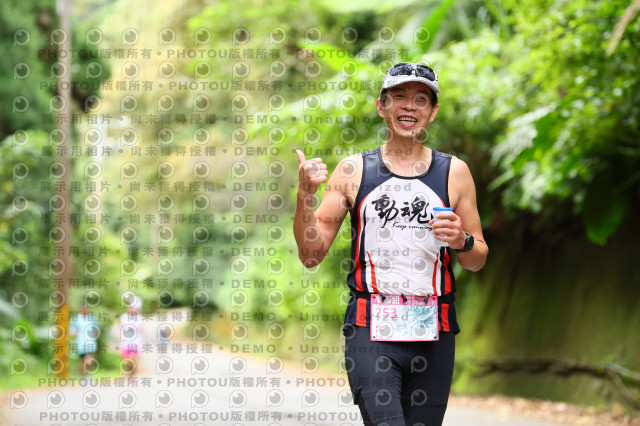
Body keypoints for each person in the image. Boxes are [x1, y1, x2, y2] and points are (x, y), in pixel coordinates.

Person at [294, 62, 489, 426]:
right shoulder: (353, 170)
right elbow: (310, 254)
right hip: (371, 329)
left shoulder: (455, 172)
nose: (409, 106)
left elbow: (476, 258)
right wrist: (305, 197)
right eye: (398, 96)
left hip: (435, 329)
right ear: (381, 106)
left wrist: (462, 240)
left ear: (433, 112)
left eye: (421, 99)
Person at [68, 302, 100, 377]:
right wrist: (74, 333)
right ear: (81, 309)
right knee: (82, 360)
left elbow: (97, 329)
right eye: (83, 308)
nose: (85, 310)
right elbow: (71, 330)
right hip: (81, 342)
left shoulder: (92, 318)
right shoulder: (76, 318)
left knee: (89, 359)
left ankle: (88, 375)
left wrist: (95, 335)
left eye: (86, 308)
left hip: (91, 342)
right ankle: (83, 376)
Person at [118, 296, 143, 375]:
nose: (131, 309)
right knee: (127, 361)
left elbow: (142, 330)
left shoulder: (139, 318)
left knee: (134, 361)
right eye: (130, 307)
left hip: (136, 343)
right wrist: (120, 341)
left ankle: (132, 375)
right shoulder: (124, 317)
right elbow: (120, 329)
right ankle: (128, 375)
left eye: (133, 307)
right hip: (125, 343)